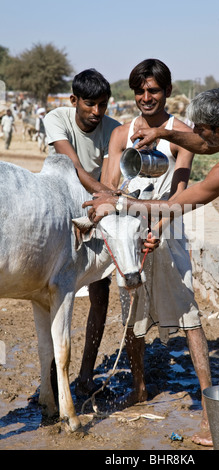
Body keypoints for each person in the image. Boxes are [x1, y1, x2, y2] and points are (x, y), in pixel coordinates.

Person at [85, 87, 219, 439]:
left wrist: (119, 203)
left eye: (201, 128)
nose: (196, 135)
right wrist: (163, 132)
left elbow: (179, 204)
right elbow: (203, 143)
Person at [101, 58, 212, 447]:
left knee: (188, 312)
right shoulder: (120, 135)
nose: (146, 98)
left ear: (166, 92)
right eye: (141, 91)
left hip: (168, 232)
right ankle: (139, 386)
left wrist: (158, 231)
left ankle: (206, 397)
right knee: (131, 312)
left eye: (154, 90)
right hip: (130, 234)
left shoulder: (179, 132)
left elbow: (180, 194)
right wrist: (114, 217)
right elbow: (109, 187)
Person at [44, 69, 122, 398]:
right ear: (74, 100)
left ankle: (87, 374)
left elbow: (111, 171)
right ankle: (49, 381)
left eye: (103, 105)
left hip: (96, 208)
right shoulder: (56, 118)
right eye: (89, 104)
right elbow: (73, 166)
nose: (96, 112)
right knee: (51, 291)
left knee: (100, 289)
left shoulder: (114, 129)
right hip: (59, 207)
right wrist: (114, 198)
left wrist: (106, 201)